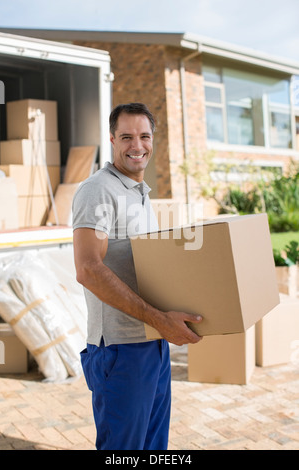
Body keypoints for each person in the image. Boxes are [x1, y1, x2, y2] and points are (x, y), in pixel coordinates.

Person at [72, 102, 203, 451]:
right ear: (112, 139)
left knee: (153, 447)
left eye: (144, 136)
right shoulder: (98, 189)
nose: (137, 145)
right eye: (127, 136)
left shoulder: (140, 194)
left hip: (153, 343)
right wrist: (159, 319)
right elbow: (87, 268)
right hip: (120, 350)